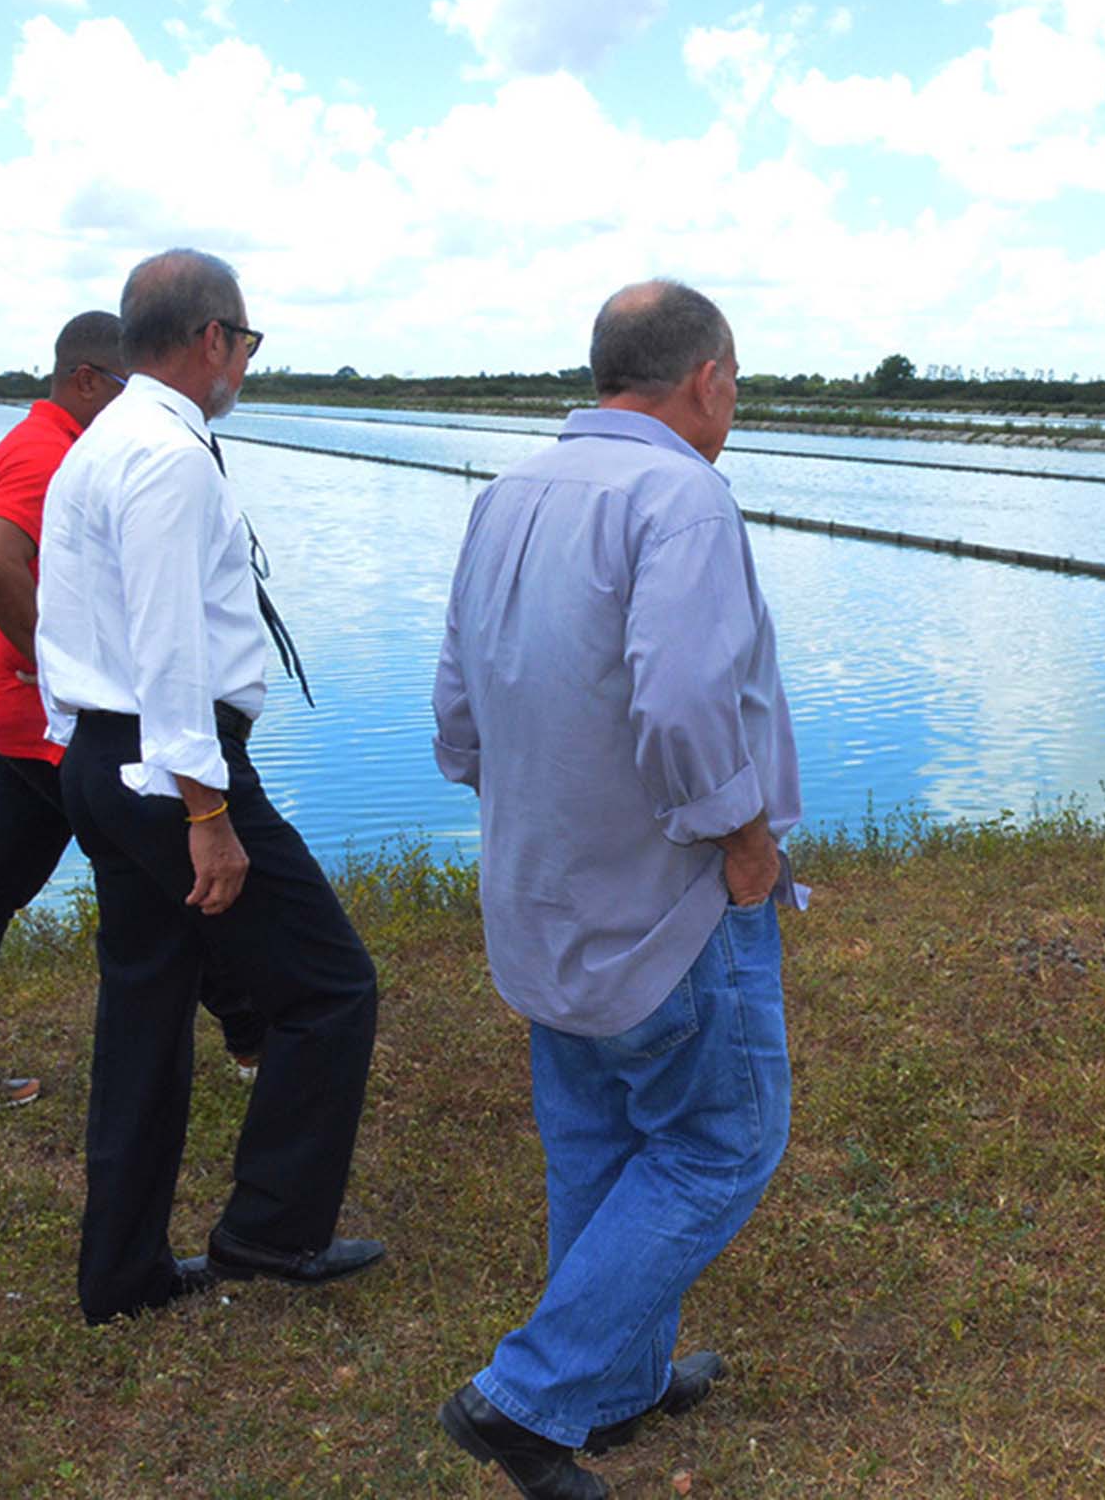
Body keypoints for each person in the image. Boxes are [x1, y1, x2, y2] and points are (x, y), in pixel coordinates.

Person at [430, 279, 800, 1499]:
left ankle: (617, 1383)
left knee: (595, 1139)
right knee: (721, 1141)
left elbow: (459, 706)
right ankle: (529, 1399)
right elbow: (688, 704)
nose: (733, 404)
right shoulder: (680, 498)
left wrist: (524, 800)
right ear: (706, 377)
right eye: (735, 381)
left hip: (542, 886)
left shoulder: (511, 493)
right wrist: (743, 843)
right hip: (668, 899)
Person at [34, 250, 382, 1325]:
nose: (246, 362)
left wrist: (92, 757)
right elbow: (169, 645)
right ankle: (271, 1232)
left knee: (144, 1007)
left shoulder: (102, 443)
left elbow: (72, 619)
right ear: (210, 340)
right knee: (331, 987)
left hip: (105, 755)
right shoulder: (171, 457)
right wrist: (207, 813)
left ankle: (124, 1272)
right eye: (248, 341)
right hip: (168, 765)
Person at [0, 311, 265, 1115]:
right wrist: (61, 671)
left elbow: (8, 563)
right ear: (85, 379)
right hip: (53, 722)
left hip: (27, 714)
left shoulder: (47, 445)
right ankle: (251, 1034)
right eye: (121, 384)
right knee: (177, 870)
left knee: (0, 884)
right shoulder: (47, 451)